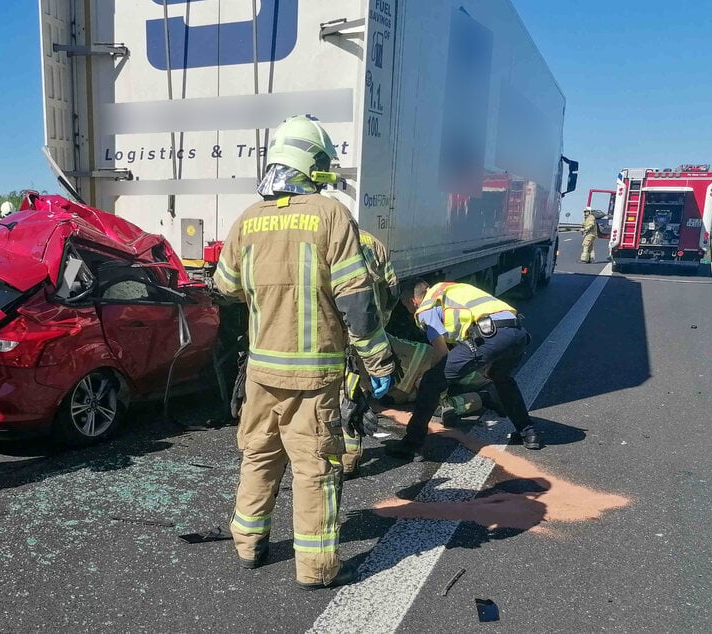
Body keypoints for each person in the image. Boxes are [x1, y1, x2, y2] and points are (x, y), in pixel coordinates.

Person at [214, 114, 395, 590]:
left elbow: (225, 286)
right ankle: (316, 569)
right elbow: (357, 298)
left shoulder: (249, 219)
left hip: (260, 373)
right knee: (315, 469)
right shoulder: (331, 215)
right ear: (313, 162)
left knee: (258, 455)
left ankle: (248, 544)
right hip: (313, 378)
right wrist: (378, 362)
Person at [384, 279, 540, 461]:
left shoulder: (426, 308)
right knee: (501, 379)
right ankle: (528, 433)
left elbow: (441, 351)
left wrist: (432, 378)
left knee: (430, 383)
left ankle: (411, 445)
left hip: (490, 335)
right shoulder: (448, 289)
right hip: (517, 333)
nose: (408, 309)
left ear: (412, 301)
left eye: (405, 305)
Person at [341, 230, 399, 478]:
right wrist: (382, 322)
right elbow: (392, 289)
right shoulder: (371, 241)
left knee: (326, 395)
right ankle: (349, 458)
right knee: (354, 393)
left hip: (327, 333)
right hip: (366, 332)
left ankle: (324, 456)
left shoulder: (321, 238)